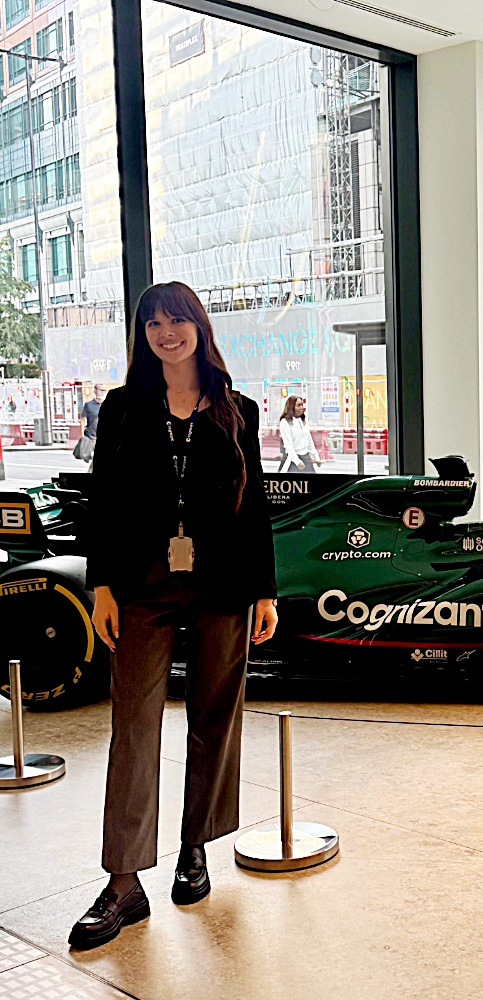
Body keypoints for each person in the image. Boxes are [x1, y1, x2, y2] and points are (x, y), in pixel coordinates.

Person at [69, 281, 278, 951]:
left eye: (177, 320)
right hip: (142, 585)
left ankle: (196, 846)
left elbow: (255, 509)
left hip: (224, 585)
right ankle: (123, 881)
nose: (167, 332)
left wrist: (265, 592)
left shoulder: (235, 408)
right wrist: (102, 585)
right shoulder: (125, 409)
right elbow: (101, 503)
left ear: (198, 327)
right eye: (154, 322)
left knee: (216, 717)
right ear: (144, 334)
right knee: (133, 725)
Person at [278, 394, 322, 472]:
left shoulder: (303, 421)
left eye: (302, 405)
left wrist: (316, 457)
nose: (301, 408)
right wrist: (297, 461)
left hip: (305, 457)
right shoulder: (285, 422)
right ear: (292, 407)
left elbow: (309, 440)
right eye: (298, 405)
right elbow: (288, 445)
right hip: (292, 459)